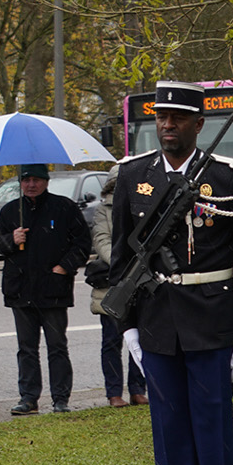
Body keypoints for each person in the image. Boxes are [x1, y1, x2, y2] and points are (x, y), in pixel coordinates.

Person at [113, 80, 233, 465]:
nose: (167, 125)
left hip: (213, 317)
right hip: (157, 318)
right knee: (169, 428)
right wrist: (126, 327)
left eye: (178, 118)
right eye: (162, 117)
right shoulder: (133, 176)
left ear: (198, 125)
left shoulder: (225, 178)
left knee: (213, 427)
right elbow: (122, 255)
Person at [0, 163, 90, 415]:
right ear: (20, 183)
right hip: (20, 291)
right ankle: (28, 397)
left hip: (53, 290)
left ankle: (60, 398)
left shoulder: (64, 207)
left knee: (57, 345)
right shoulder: (10, 211)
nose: (31, 185)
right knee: (26, 347)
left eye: (36, 179)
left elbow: (82, 242)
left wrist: (64, 267)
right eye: (26, 180)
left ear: (46, 181)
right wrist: (10, 240)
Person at [84, 173, 146, 407]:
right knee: (111, 341)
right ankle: (113, 392)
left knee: (140, 339)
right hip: (113, 283)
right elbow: (101, 240)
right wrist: (124, 264)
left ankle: (138, 389)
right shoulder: (103, 210)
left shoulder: (142, 204)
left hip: (140, 281)